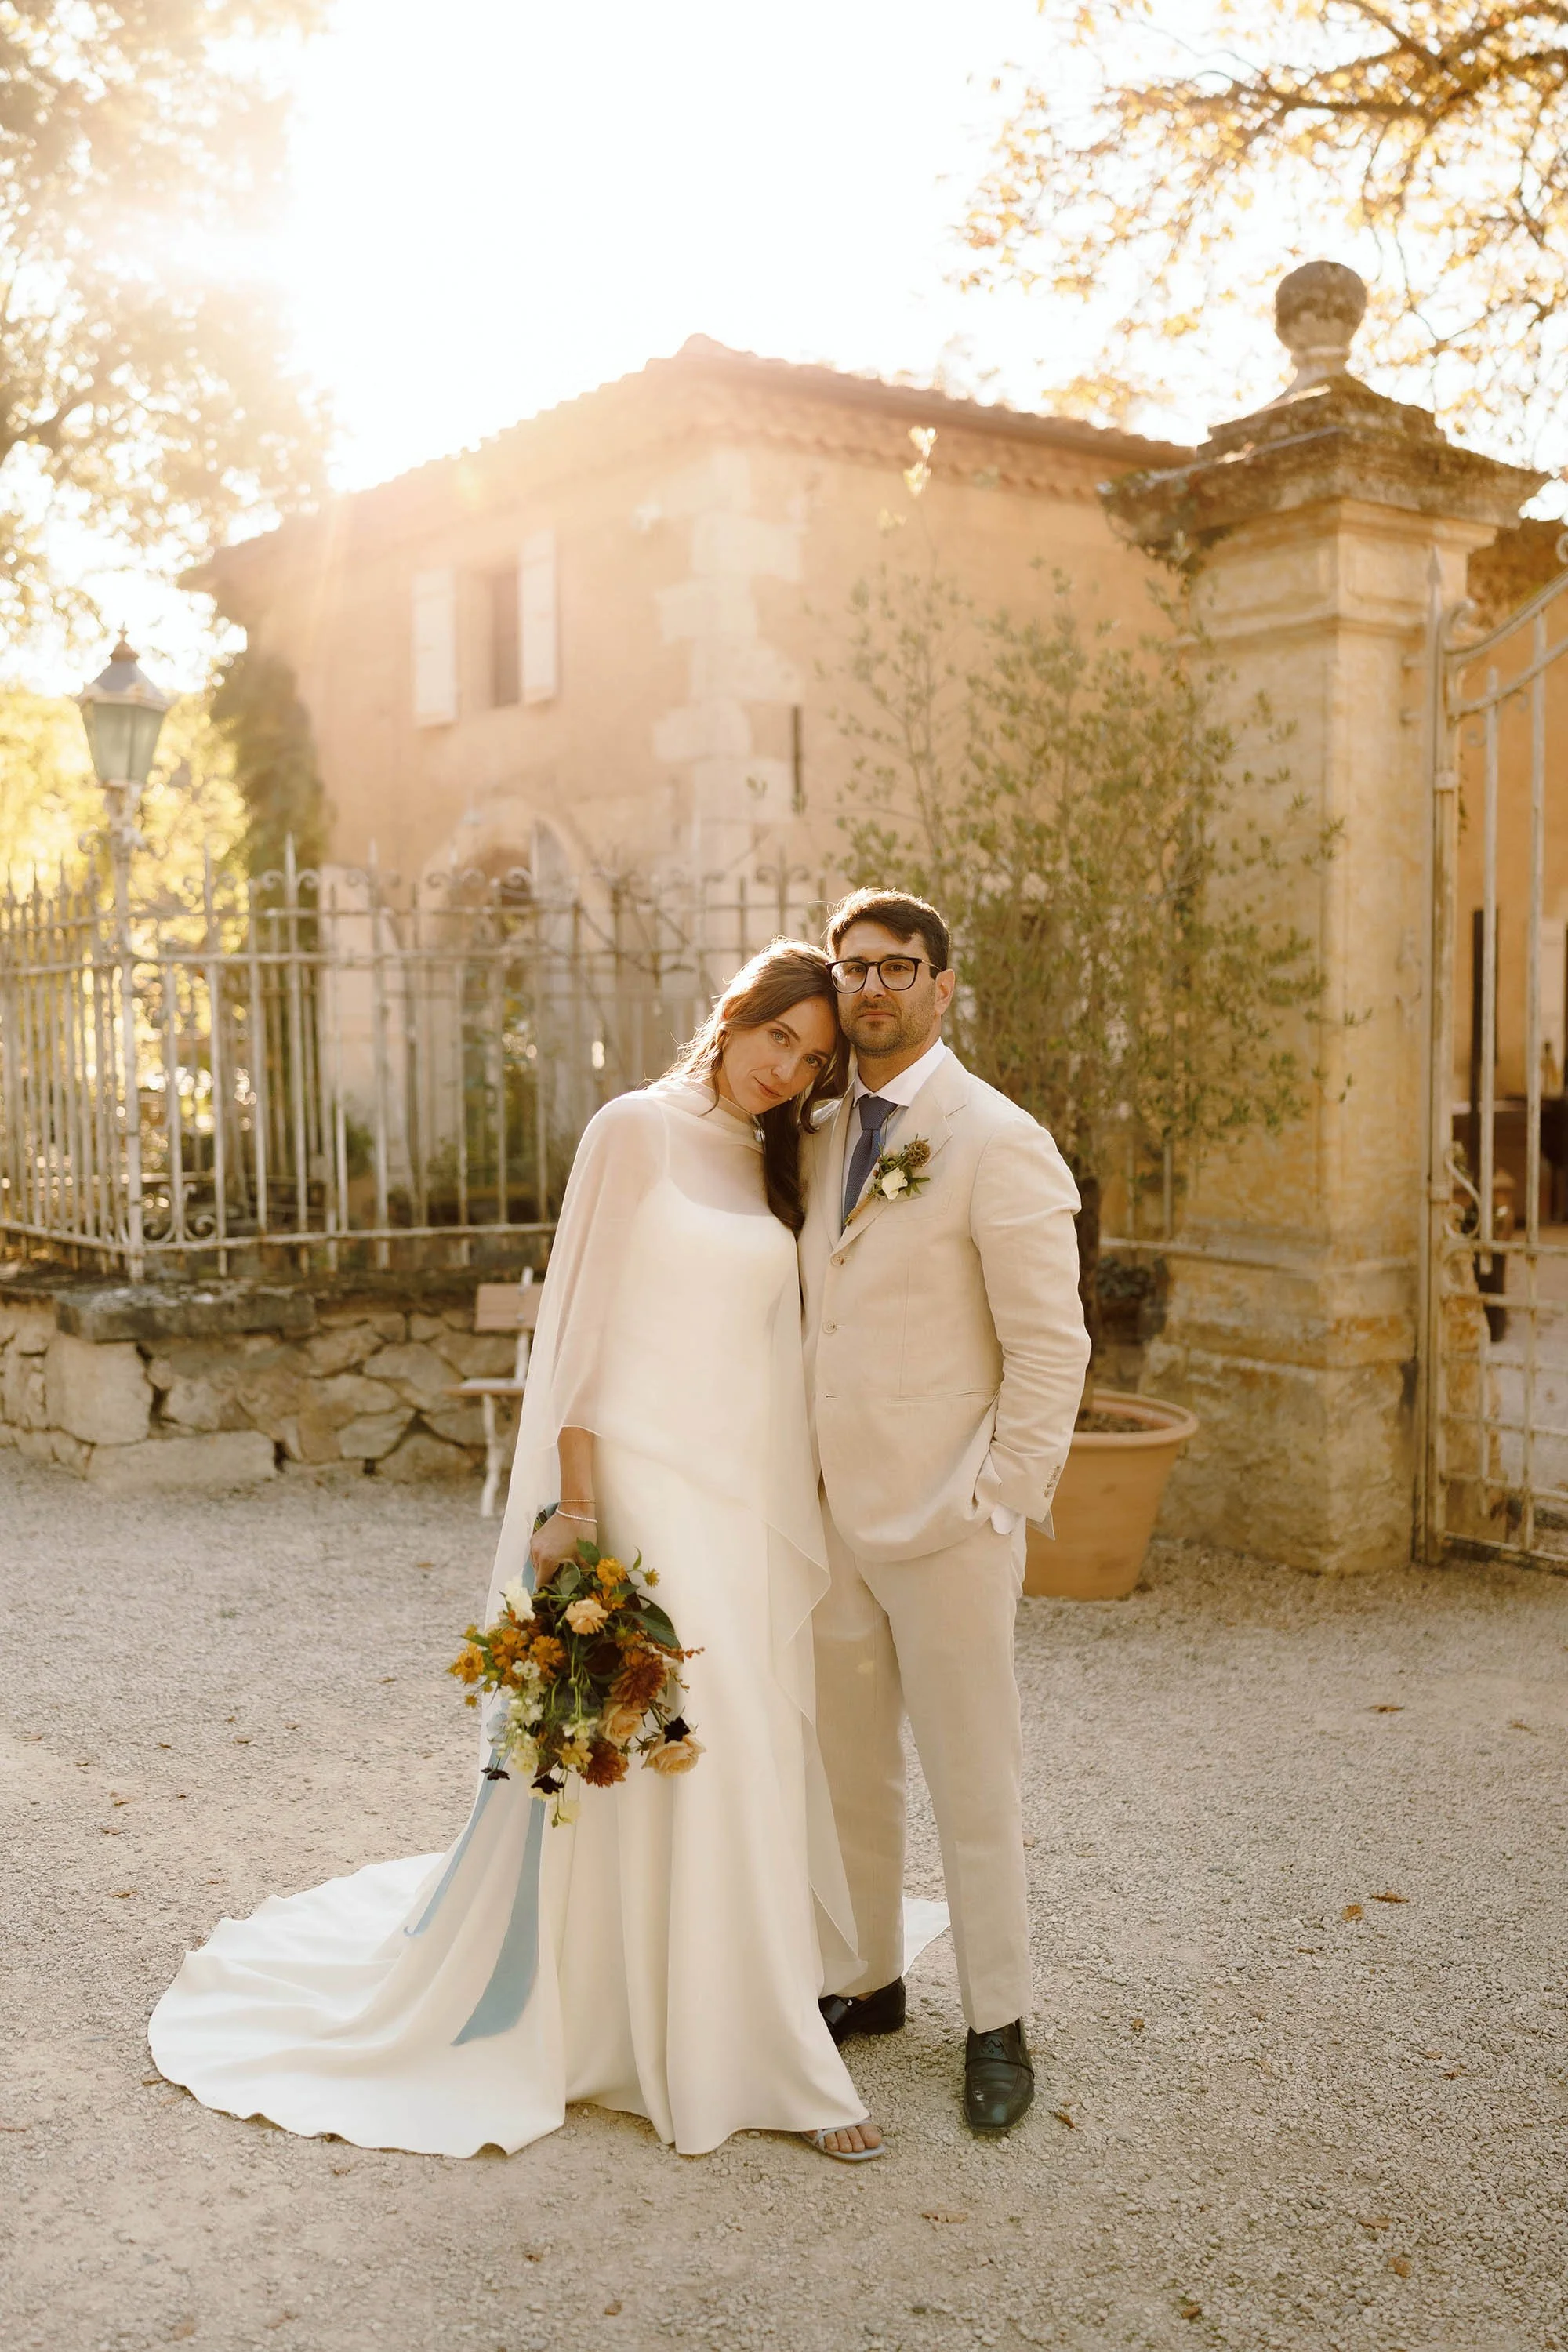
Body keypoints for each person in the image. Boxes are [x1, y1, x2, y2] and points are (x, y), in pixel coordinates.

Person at [150, 942, 887, 2164]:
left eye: (812, 1059)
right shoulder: (633, 1130)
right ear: (733, 1017)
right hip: (639, 1481)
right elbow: (580, 1333)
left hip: (734, 1491)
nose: (787, 1070)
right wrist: (578, 1507)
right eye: (778, 1037)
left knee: (744, 1738)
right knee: (678, 1735)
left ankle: (713, 2011)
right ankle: (739, 2053)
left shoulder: (776, 1159)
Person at [800, 887, 1091, 2135]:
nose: (872, 987)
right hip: (828, 1516)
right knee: (845, 1769)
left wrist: (999, 1497)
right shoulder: (815, 1133)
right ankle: (866, 1978)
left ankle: (998, 2021)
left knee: (976, 1779)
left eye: (898, 966)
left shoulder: (998, 1138)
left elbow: (1053, 1346)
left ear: (942, 985)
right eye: (854, 966)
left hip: (950, 1519)